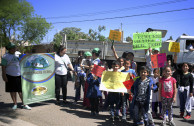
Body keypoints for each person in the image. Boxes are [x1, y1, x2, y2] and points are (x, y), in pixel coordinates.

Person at [1, 42, 31, 110]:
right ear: (9, 49)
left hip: (18, 75)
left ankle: (24, 104)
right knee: (12, 91)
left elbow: (24, 60)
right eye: (12, 48)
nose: (13, 49)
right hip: (10, 75)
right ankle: (15, 104)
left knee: (20, 91)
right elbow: (3, 67)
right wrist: (4, 76)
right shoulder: (5, 56)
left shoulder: (18, 54)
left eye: (14, 47)